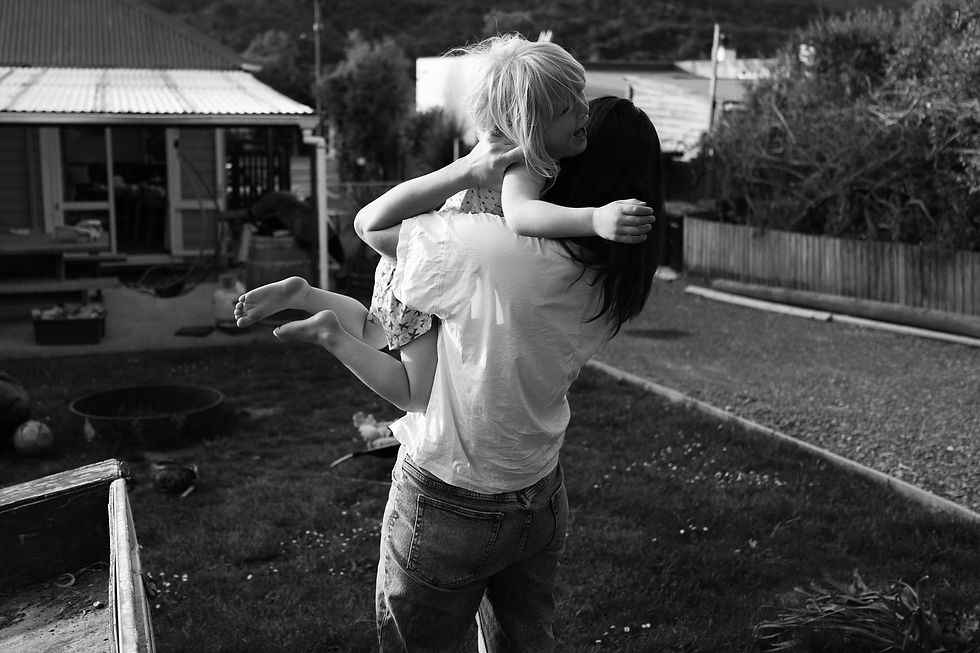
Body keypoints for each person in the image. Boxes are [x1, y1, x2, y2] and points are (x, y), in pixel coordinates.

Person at [273, 94, 664, 652]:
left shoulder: (495, 249)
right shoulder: (617, 277)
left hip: (449, 498)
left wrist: (470, 167)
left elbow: (373, 224)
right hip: (540, 493)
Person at [234, 34, 653, 414]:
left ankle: (306, 295)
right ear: (531, 125)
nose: (584, 112)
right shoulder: (525, 164)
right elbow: (524, 218)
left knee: (370, 327)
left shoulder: (521, 152)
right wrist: (595, 218)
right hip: (431, 268)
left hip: (420, 256)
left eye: (581, 97)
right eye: (568, 108)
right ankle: (331, 336)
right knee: (414, 396)